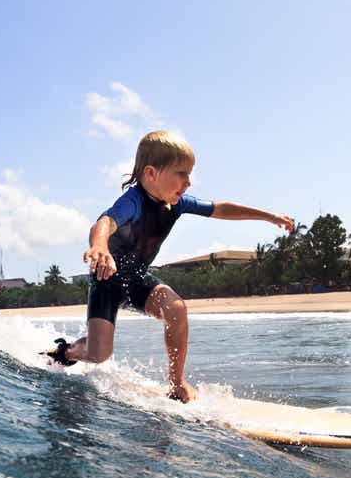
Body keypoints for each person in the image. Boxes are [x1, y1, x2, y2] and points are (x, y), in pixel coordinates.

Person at [46, 130, 295, 402]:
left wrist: (268, 216)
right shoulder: (133, 202)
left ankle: (177, 384)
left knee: (175, 307)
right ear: (151, 174)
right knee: (99, 354)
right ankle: (66, 352)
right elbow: (105, 222)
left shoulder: (175, 204)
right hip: (108, 282)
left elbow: (220, 208)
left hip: (138, 279)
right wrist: (100, 247)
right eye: (181, 174)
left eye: (189, 174)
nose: (188, 182)